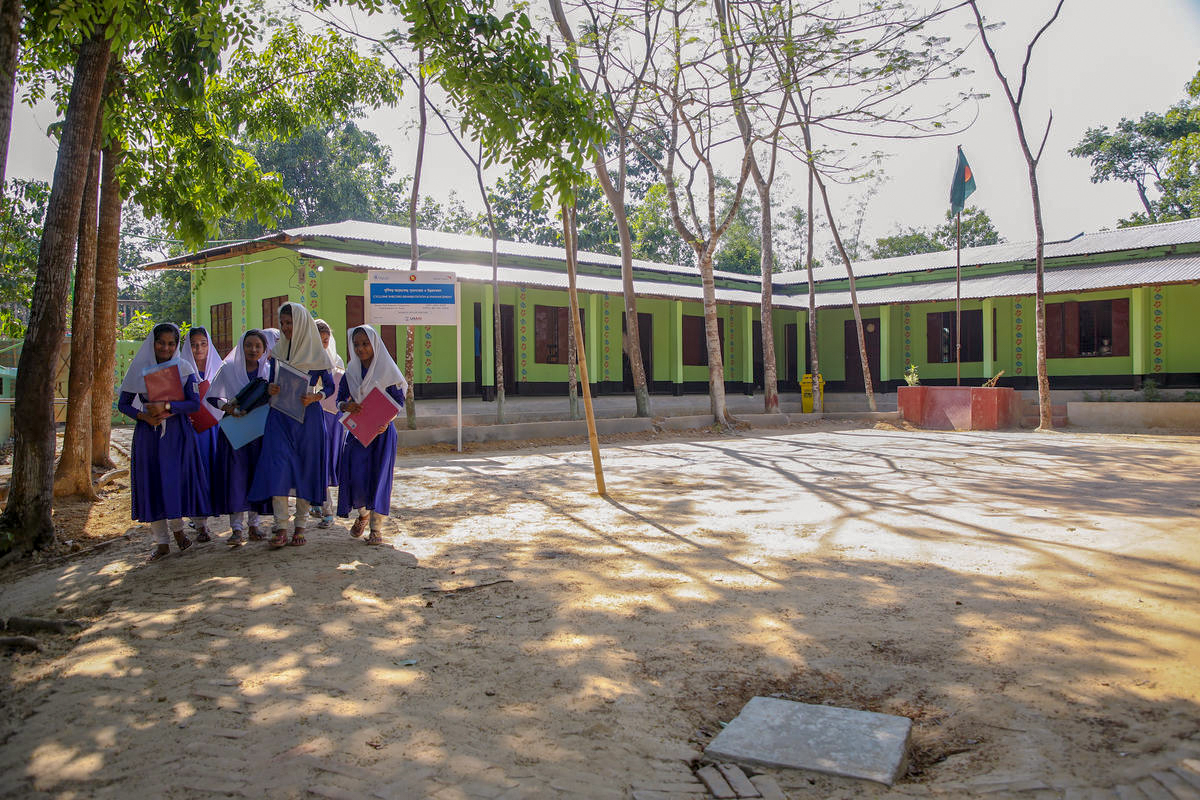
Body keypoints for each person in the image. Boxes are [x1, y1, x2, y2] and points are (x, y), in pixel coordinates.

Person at [117, 323, 212, 562]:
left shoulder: (183, 368)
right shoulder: (139, 367)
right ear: (153, 342)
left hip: (177, 434)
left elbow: (193, 404)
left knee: (174, 481)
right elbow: (123, 403)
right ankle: (161, 542)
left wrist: (167, 406)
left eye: (171, 343)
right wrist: (144, 416)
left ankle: (179, 530)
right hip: (149, 434)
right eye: (161, 342)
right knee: (153, 482)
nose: (166, 348)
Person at [248, 303, 334, 548]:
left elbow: (329, 387)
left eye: (290, 323)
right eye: (283, 323)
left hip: (309, 419)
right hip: (280, 416)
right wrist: (270, 388)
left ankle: (301, 525)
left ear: (302, 323)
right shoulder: (277, 352)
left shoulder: (317, 353)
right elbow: (271, 382)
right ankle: (281, 526)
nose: (285, 328)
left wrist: (315, 396)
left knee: (305, 468)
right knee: (278, 468)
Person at [337, 325, 407, 546]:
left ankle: (376, 528)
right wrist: (347, 406)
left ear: (375, 344)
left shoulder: (388, 370)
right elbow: (340, 400)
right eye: (356, 344)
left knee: (379, 478)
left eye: (365, 344)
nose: (360, 349)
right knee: (356, 474)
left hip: (382, 433)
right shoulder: (351, 372)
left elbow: (398, 402)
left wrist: (386, 422)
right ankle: (363, 514)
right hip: (358, 433)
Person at [207, 329, 272, 545]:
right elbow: (212, 396)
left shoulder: (268, 372)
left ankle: (254, 525)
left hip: (258, 433)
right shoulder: (228, 368)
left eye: (258, 346)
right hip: (234, 432)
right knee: (235, 478)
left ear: (264, 350)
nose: (253, 350)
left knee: (256, 477)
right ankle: (236, 529)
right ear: (241, 346)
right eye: (249, 345)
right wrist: (229, 408)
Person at [187, 326, 222, 542]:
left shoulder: (217, 369)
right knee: (195, 473)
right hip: (191, 431)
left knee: (211, 472)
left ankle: (208, 516)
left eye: (203, 344)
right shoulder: (182, 371)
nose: (198, 349)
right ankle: (199, 523)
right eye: (193, 344)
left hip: (213, 429)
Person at [314, 318, 346, 529]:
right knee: (318, 462)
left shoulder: (337, 362)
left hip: (334, 418)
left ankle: (326, 508)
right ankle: (323, 507)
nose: (323, 344)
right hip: (315, 416)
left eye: (326, 340)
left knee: (329, 462)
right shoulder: (305, 362)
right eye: (319, 340)